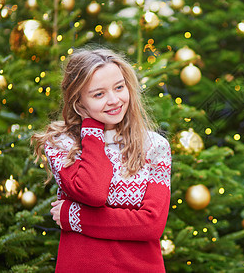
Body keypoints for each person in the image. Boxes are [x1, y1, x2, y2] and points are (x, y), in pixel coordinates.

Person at [31, 48, 171, 272]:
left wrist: (74, 216)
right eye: (99, 94)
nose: (114, 100)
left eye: (119, 87)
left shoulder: (154, 146)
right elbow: (93, 192)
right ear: (79, 102)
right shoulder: (61, 145)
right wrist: (92, 132)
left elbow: (151, 225)